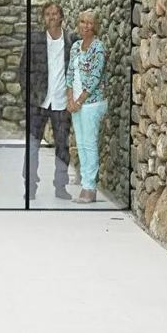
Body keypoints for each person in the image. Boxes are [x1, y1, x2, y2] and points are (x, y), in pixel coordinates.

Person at [19, 1, 74, 201]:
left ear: (61, 17)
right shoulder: (34, 40)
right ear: (44, 18)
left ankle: (61, 187)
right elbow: (22, 70)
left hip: (61, 102)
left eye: (55, 13)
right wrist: (29, 95)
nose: (52, 17)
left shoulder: (70, 41)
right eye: (48, 14)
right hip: (38, 102)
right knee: (32, 146)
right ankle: (30, 187)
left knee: (62, 146)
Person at [66, 10, 107, 204]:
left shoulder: (98, 47)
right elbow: (70, 74)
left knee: (90, 144)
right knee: (81, 143)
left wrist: (79, 100)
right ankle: (85, 183)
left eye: (90, 22)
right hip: (76, 103)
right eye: (82, 21)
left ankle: (90, 188)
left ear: (95, 26)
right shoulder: (75, 46)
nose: (85, 25)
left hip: (91, 103)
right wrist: (69, 100)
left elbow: (94, 79)